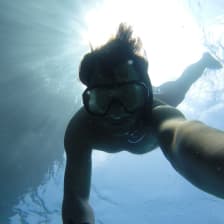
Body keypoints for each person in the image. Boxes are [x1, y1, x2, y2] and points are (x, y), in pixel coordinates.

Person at [62, 24, 223, 224]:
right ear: (89, 100)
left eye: (128, 95)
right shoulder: (81, 130)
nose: (117, 112)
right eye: (103, 99)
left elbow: (181, 135)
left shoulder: (159, 111)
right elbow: (76, 199)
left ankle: (203, 61)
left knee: (182, 84)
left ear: (144, 92)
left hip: (164, 94)